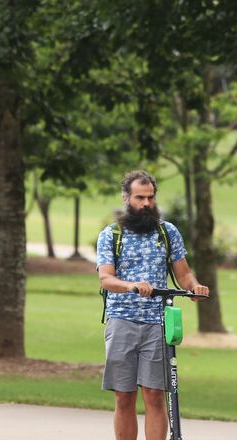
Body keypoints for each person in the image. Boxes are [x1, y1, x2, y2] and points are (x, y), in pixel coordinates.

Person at [96, 170, 209, 440]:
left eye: (150, 197)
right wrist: (132, 286)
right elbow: (106, 279)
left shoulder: (167, 232)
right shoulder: (111, 235)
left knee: (155, 395)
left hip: (157, 323)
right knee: (124, 396)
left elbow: (183, 273)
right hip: (121, 321)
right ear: (126, 198)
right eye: (139, 198)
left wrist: (193, 287)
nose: (146, 203)